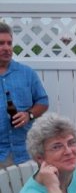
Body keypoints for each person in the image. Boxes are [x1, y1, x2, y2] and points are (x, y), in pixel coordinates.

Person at [0, 21, 49, 169]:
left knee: (31, 192)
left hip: (26, 153)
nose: (6, 48)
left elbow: (43, 101)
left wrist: (29, 115)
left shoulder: (27, 73)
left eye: (9, 43)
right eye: (1, 43)